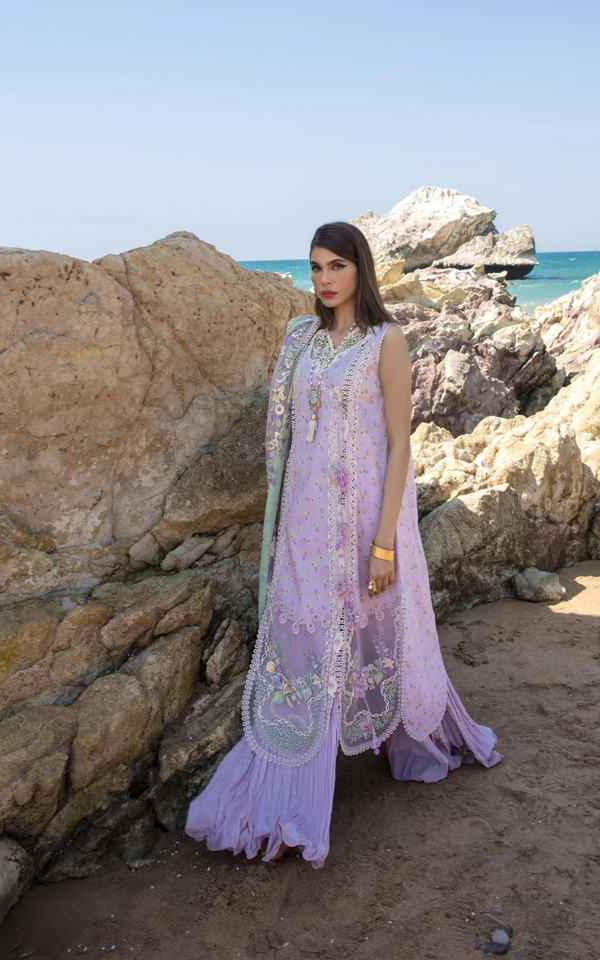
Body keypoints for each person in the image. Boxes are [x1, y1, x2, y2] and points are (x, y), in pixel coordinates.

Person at [184, 221, 503, 867]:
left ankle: (403, 741)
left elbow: (399, 445)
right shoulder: (301, 339)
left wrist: (384, 544)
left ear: (360, 268)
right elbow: (288, 439)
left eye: (336, 265)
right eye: (315, 267)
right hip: (305, 525)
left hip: (362, 525)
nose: (324, 279)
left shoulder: (385, 341)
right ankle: (287, 783)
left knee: (375, 627)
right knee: (302, 643)